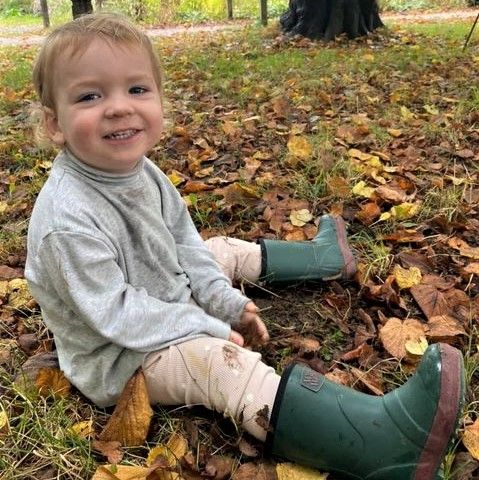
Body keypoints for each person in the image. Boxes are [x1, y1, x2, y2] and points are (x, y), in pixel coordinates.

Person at [25, 13, 464, 480]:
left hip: (162, 294)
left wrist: (226, 301)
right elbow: (117, 313)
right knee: (220, 364)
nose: (118, 107)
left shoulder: (143, 172)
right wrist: (204, 324)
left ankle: (323, 259)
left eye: (136, 89)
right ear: (55, 123)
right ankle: (384, 442)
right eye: (90, 96)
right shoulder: (66, 221)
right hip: (122, 355)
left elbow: (184, 244)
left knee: (218, 249)